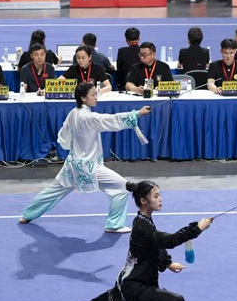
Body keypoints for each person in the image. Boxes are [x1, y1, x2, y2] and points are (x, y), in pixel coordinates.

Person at [59, 180, 213, 301]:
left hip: (130, 281)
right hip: (135, 285)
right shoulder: (141, 225)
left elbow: (153, 245)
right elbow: (168, 241)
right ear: (143, 201)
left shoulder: (145, 221)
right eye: (156, 196)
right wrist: (197, 228)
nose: (161, 199)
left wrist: (167, 263)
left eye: (160, 195)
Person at [19, 82, 151, 233]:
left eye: (96, 94)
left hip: (72, 164)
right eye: (93, 95)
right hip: (89, 166)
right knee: (121, 187)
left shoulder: (73, 113)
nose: (96, 97)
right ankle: (114, 225)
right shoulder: (88, 117)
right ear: (83, 98)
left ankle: (26, 215)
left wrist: (73, 147)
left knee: (52, 192)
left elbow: (63, 135)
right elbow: (109, 120)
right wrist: (137, 114)